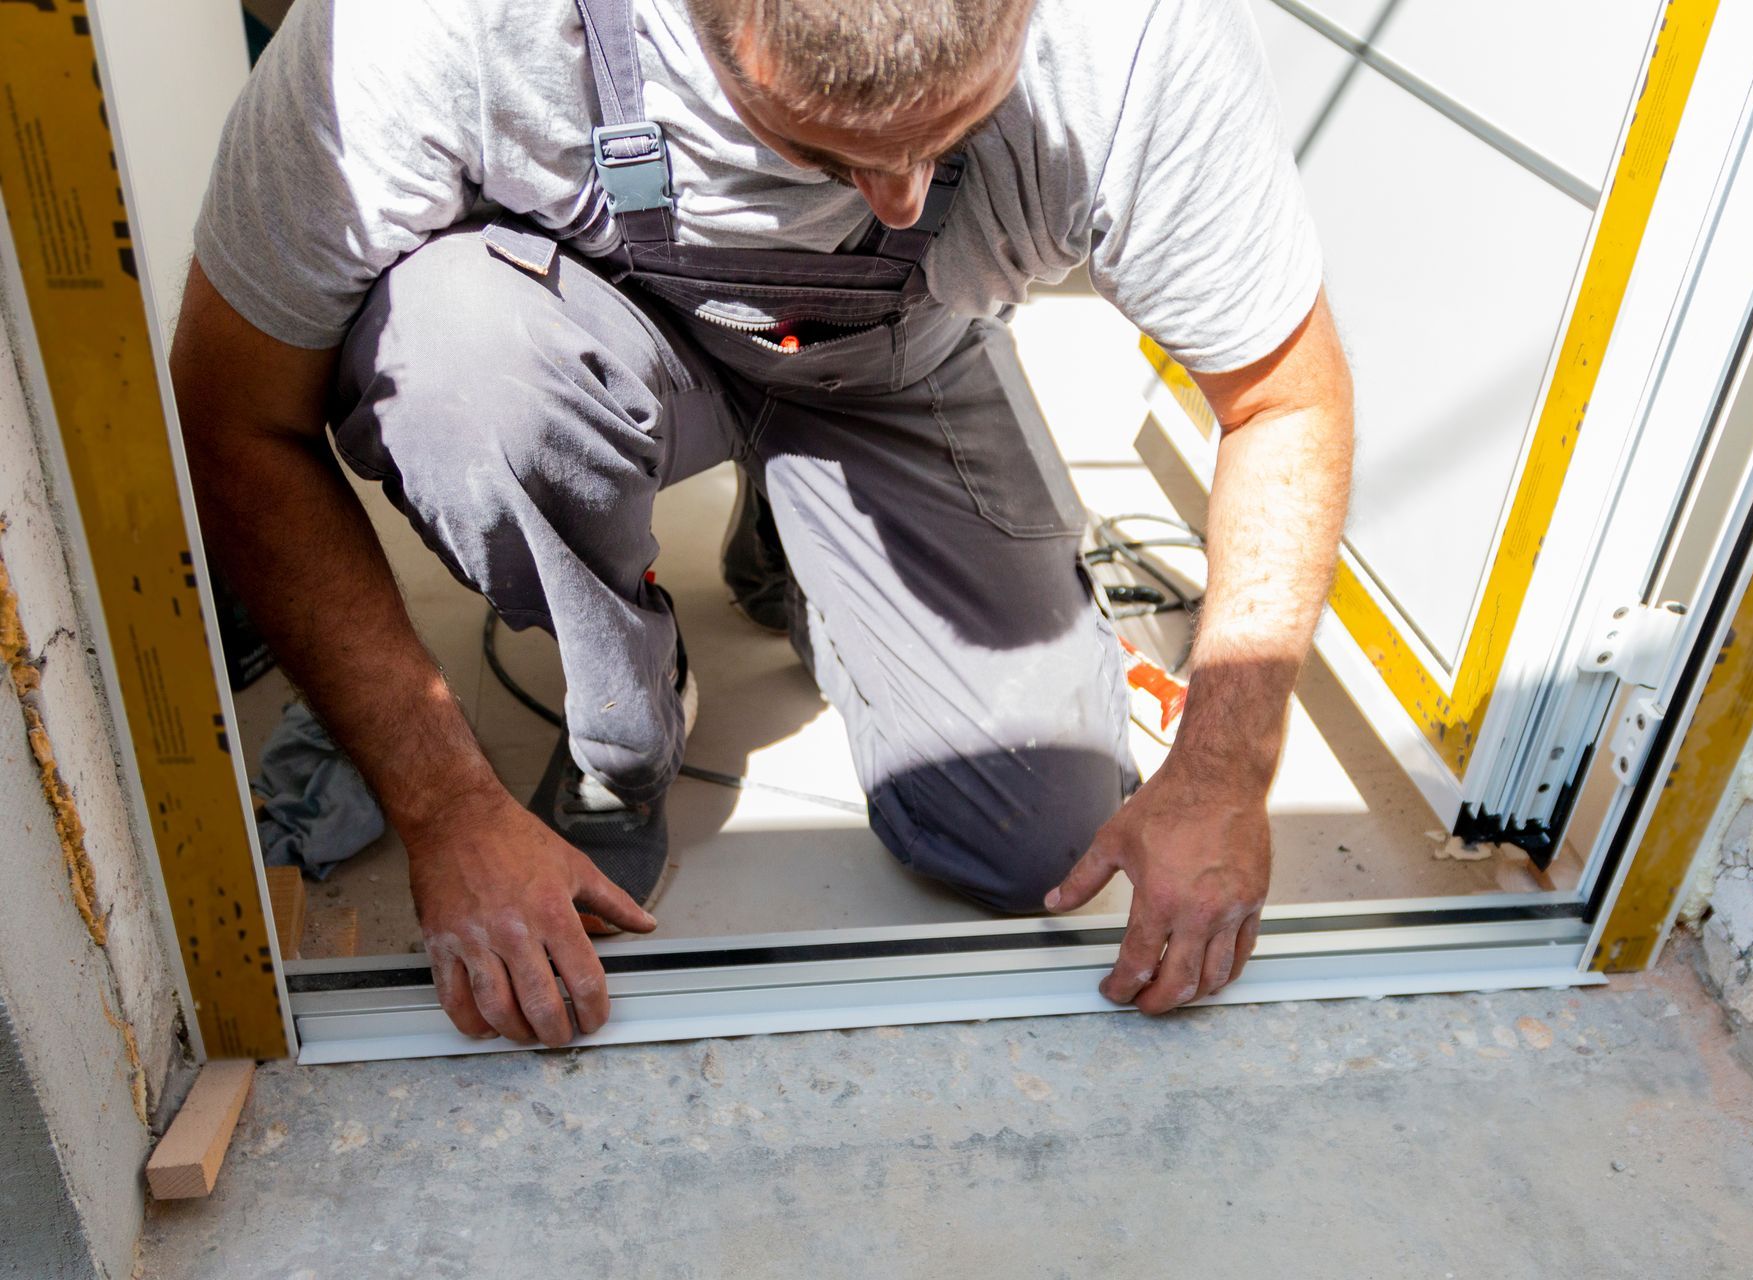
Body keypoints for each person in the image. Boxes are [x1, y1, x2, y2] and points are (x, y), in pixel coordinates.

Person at [171, 0, 1353, 1048]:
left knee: (1030, 841)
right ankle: (620, 729)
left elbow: (1285, 397)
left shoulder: (1137, 39)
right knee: (452, 367)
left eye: (952, 135)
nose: (896, 195)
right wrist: (440, 804)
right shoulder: (435, 29)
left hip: (901, 359)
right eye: (821, 148)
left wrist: (1223, 770)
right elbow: (235, 417)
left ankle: (792, 543)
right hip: (594, 336)